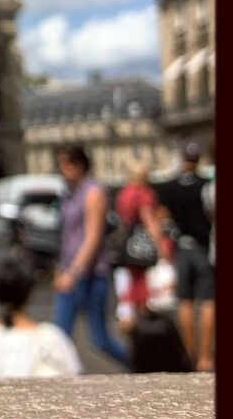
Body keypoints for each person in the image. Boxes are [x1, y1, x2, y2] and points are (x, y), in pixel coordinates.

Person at [51, 144, 129, 368]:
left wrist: (72, 274)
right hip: (71, 271)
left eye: (66, 164)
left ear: (79, 165)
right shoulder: (69, 194)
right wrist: (60, 269)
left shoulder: (93, 192)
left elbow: (93, 238)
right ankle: (56, 383)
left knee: (100, 339)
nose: (62, 169)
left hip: (91, 274)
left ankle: (139, 365)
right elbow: (66, 237)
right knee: (59, 334)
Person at [154, 143, 214, 372]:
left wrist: (164, 243)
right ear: (198, 160)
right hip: (202, 246)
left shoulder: (169, 187)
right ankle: (206, 357)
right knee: (208, 300)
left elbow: (160, 216)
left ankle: (190, 354)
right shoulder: (205, 185)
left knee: (185, 301)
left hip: (181, 246)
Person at [112, 161, 172, 334]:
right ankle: (145, 327)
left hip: (127, 243)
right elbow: (149, 220)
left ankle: (131, 322)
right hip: (142, 244)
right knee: (144, 284)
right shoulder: (143, 193)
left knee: (132, 282)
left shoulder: (124, 192)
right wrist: (160, 245)